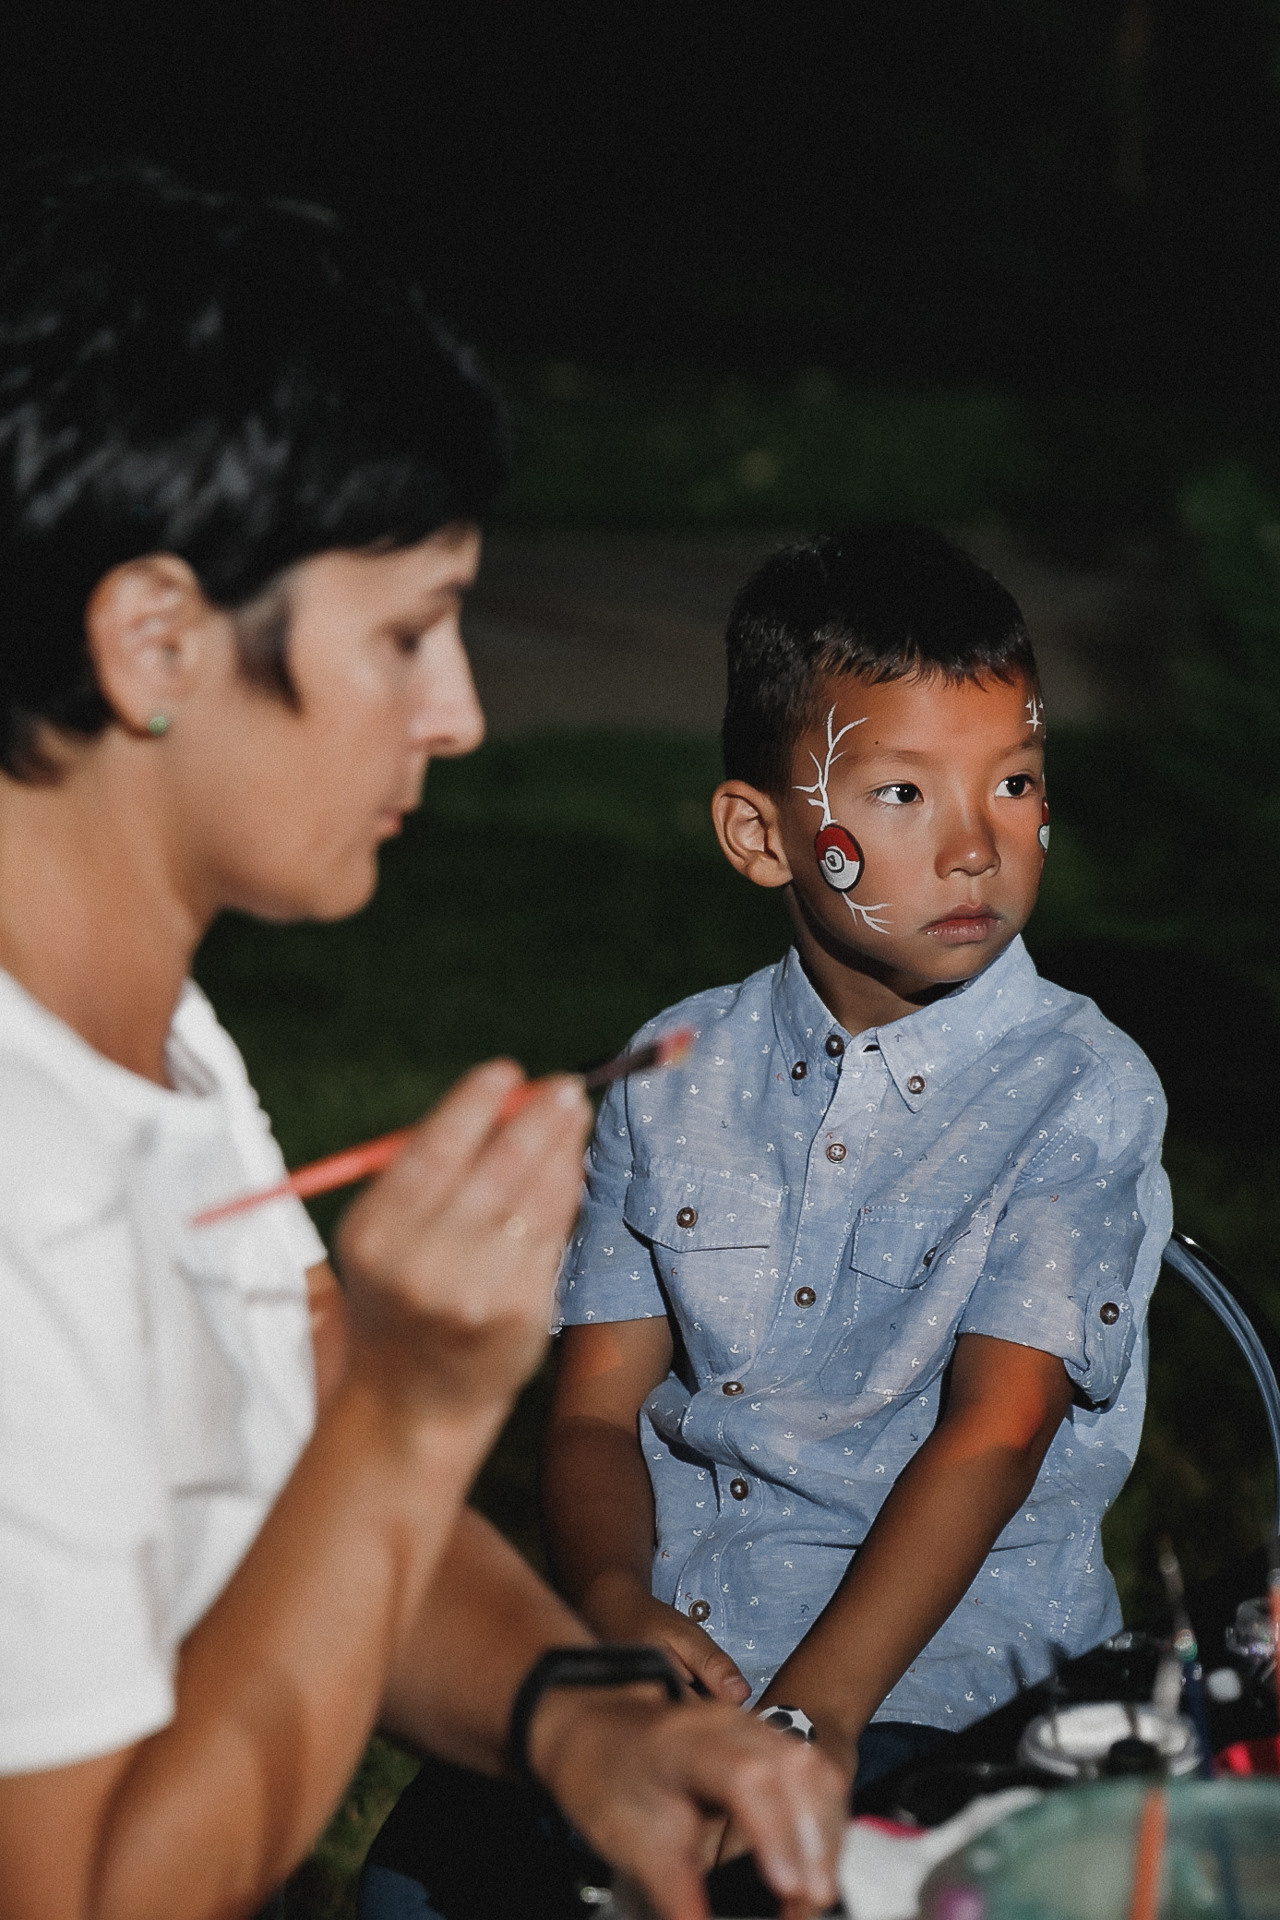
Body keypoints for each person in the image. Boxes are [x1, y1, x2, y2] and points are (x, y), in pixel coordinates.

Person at [0, 162, 846, 1920]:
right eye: (406, 632)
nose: (458, 715)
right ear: (155, 638)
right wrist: (417, 1410)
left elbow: (287, 1440)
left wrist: (572, 1715)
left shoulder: (143, 1035)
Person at [542, 525, 1172, 1795]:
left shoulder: (1079, 1089)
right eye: (901, 793)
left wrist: (815, 1711)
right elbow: (592, 1410)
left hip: (942, 1684)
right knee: (426, 1870)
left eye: (1013, 780)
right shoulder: (669, 1070)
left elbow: (994, 1435)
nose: (972, 847)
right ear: (760, 835)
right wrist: (615, 1604)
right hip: (683, 1648)